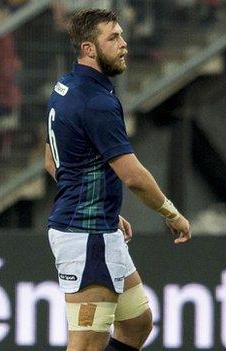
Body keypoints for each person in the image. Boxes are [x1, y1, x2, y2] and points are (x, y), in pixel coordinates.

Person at [44, 9, 191, 351]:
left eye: (122, 36)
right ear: (89, 49)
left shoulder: (66, 86)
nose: (124, 44)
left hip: (99, 227)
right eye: (113, 38)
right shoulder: (95, 102)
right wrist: (172, 214)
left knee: (137, 323)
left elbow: (51, 158)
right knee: (86, 344)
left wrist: (101, 204)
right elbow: (134, 176)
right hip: (86, 235)